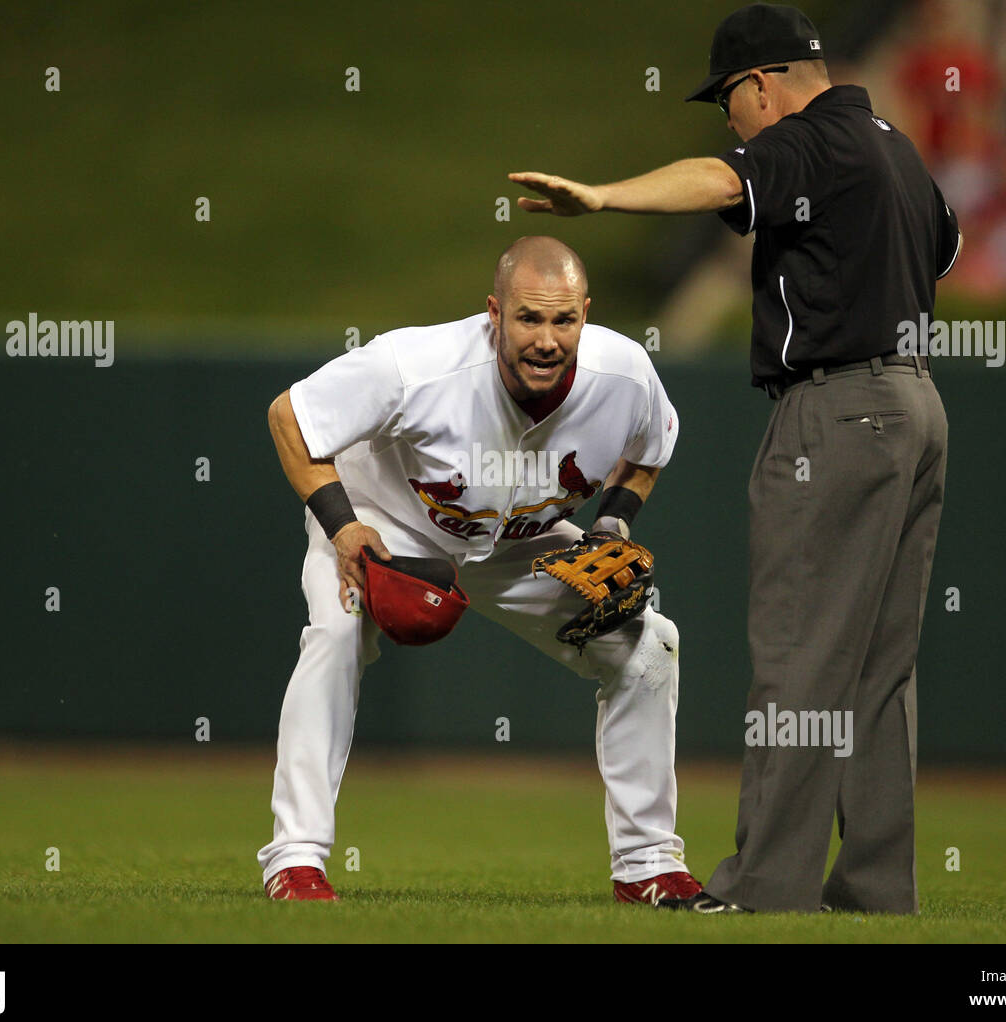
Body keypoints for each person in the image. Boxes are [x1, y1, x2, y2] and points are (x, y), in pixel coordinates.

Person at [509, 3, 961, 914]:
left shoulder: (813, 137)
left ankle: (767, 887)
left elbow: (719, 179)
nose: (728, 115)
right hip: (917, 404)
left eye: (728, 94)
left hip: (837, 411)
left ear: (763, 84)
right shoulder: (896, 149)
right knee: (880, 667)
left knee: (800, 656)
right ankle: (876, 888)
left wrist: (603, 198)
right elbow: (943, 246)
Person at [258, 235, 703, 905]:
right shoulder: (416, 365)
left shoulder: (626, 374)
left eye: (564, 319)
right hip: (387, 522)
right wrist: (344, 528)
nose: (547, 338)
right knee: (336, 635)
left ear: (586, 312)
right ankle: (295, 861)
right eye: (529, 317)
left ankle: (647, 866)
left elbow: (651, 449)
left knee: (649, 647)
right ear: (494, 313)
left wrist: (611, 525)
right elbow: (290, 417)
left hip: (520, 538)